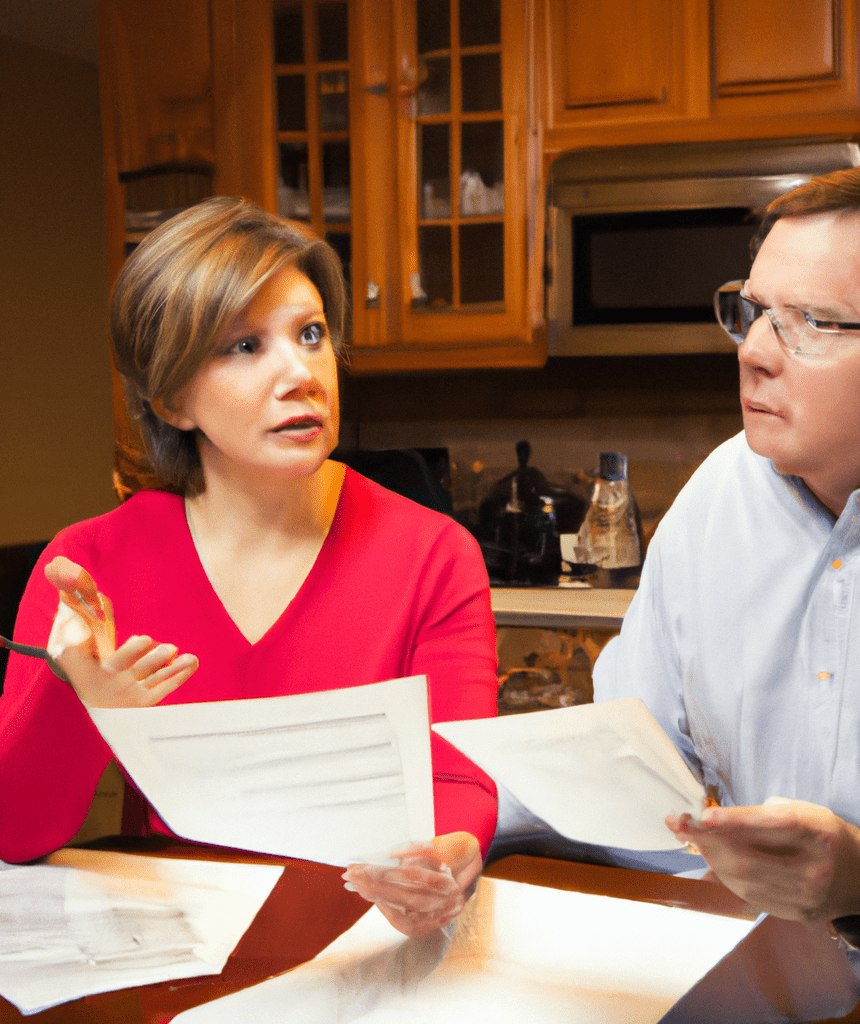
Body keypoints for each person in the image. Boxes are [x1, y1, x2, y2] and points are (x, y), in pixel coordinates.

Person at [0, 196, 498, 937]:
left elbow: (457, 779)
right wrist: (80, 702)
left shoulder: (434, 555)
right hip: (175, 952)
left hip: (364, 944)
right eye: (243, 346)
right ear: (170, 400)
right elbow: (17, 832)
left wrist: (447, 857)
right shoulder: (88, 569)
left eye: (311, 333)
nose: (301, 373)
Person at [591, 157, 860, 989]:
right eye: (751, 312)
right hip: (738, 988)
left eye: (811, 323)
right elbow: (625, 758)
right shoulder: (721, 490)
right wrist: (470, 828)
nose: (753, 352)